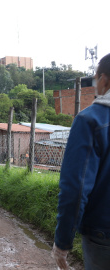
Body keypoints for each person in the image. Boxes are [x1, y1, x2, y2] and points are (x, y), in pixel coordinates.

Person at [52, 53, 110, 270]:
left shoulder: (91, 119)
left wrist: (62, 242)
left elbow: (75, 189)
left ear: (103, 79)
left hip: (103, 233)